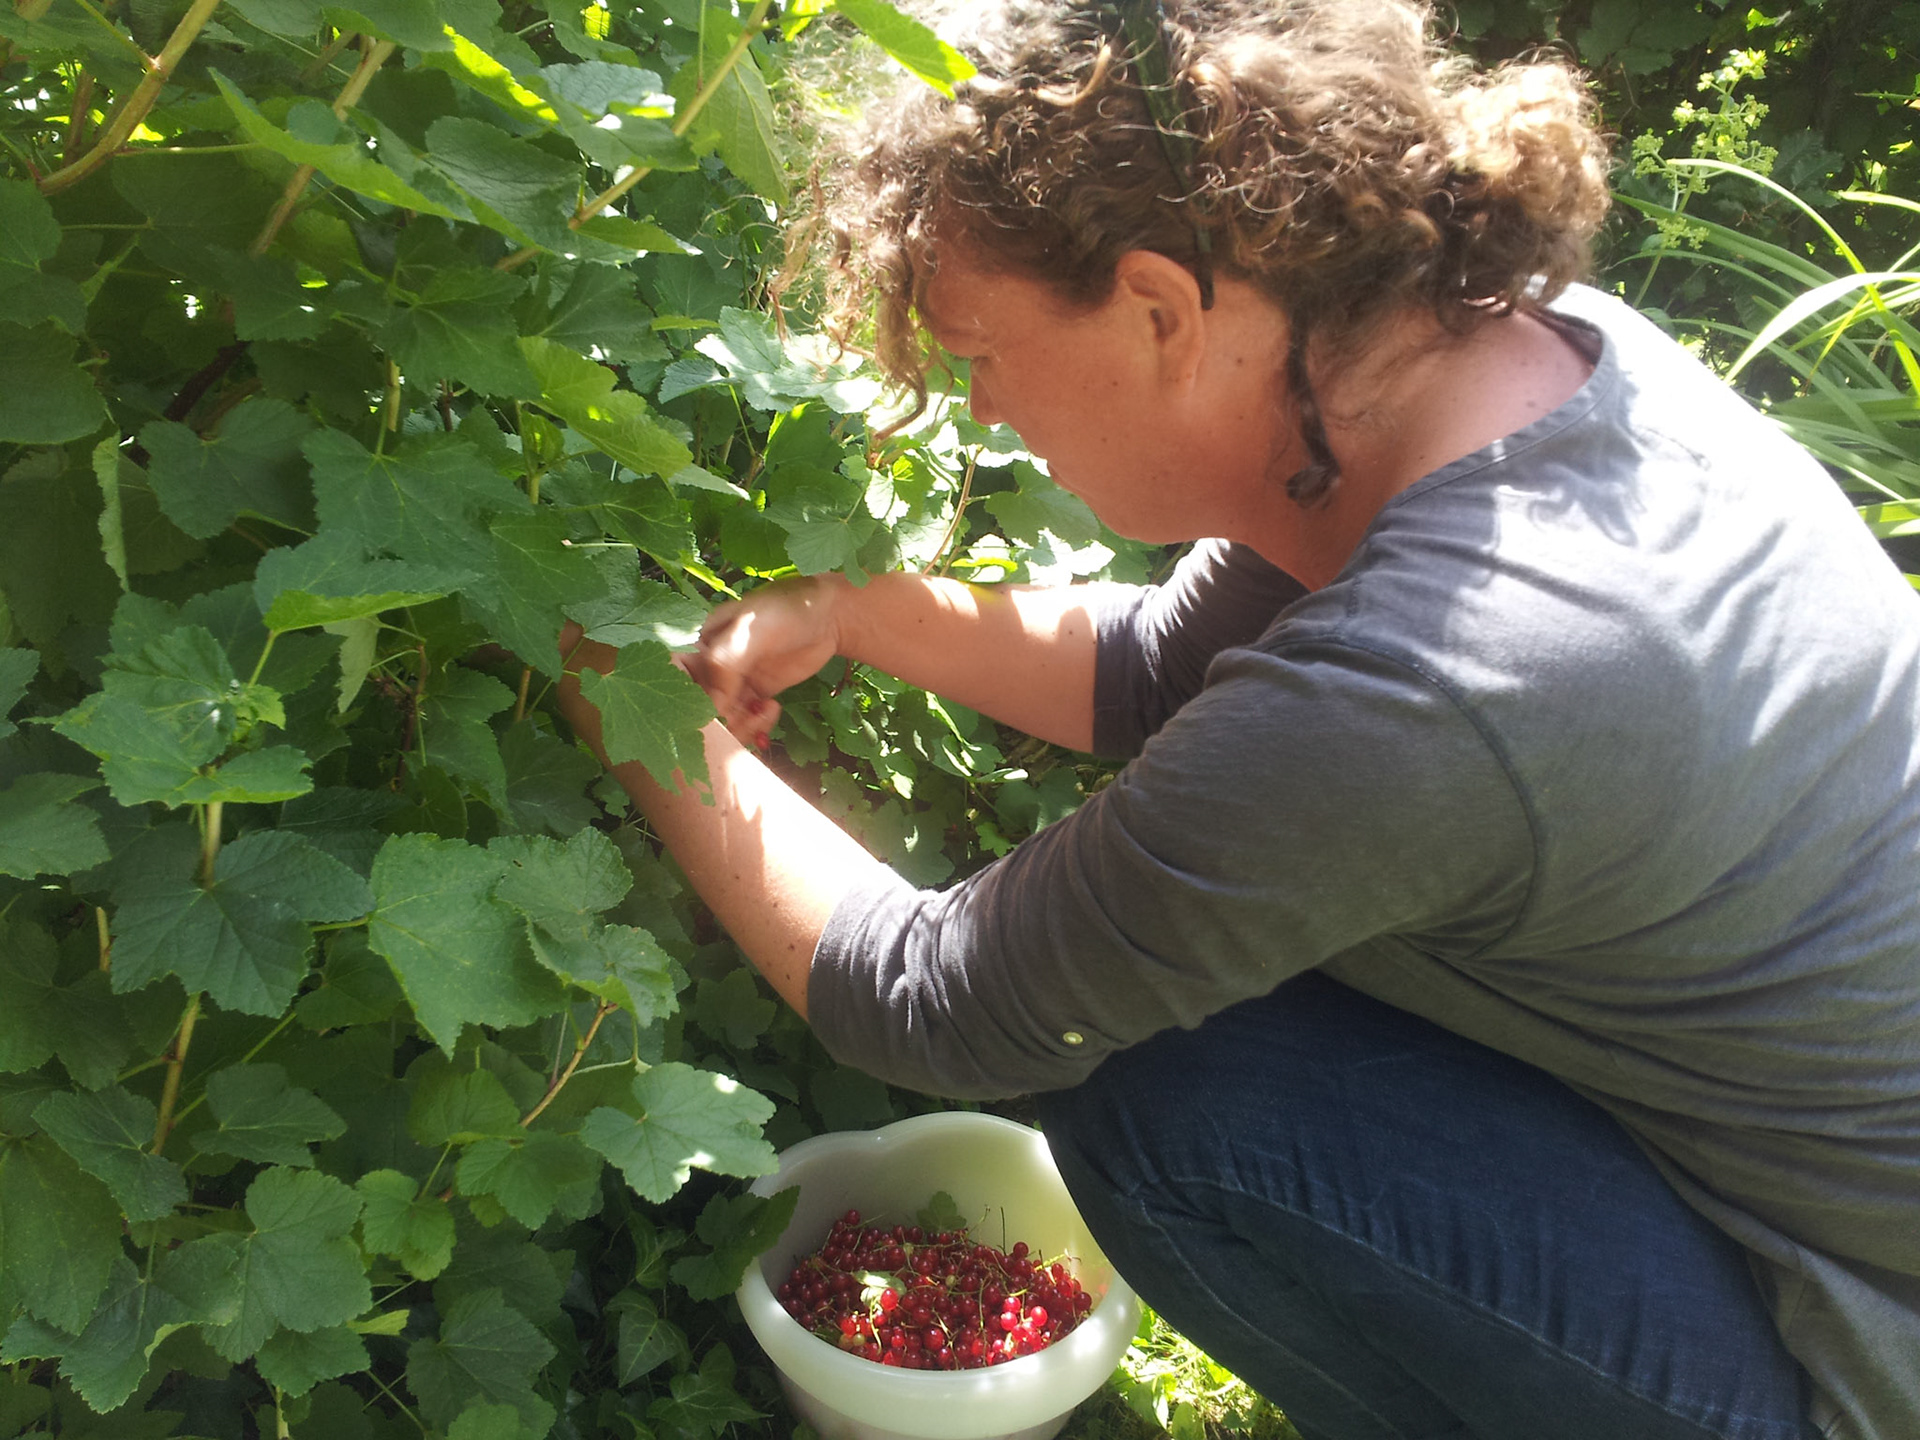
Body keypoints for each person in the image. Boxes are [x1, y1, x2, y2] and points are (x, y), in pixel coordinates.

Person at [555, 2, 1920, 1437]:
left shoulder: (1443, 677)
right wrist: (857, 614)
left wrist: (635, 705)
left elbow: (938, 1000)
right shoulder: (1495, 361)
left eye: (979, 355)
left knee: (1153, 1084)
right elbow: (1165, 669)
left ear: (1159, 309)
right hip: (1807, 1177)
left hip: (1851, 1353)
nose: (979, 406)